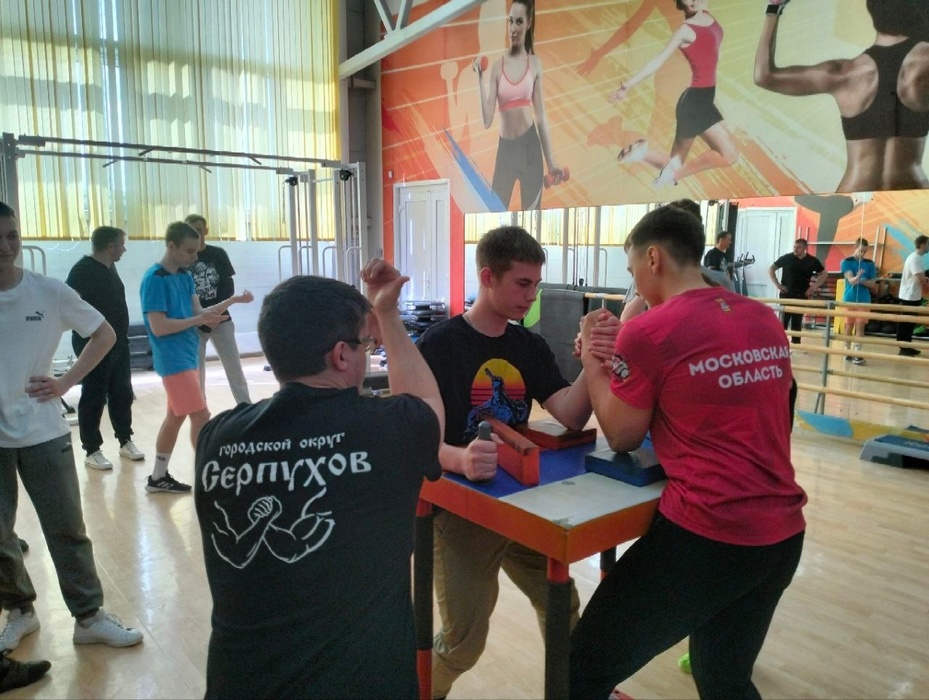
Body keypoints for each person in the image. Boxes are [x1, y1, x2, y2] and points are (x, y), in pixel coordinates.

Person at [571, 205, 807, 700]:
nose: (635, 283)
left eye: (633, 269)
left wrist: (595, 361)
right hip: (782, 535)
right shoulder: (763, 318)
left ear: (653, 258)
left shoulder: (650, 331)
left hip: (710, 535)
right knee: (723, 680)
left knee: (580, 668)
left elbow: (622, 435)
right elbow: (773, 412)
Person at [194, 262, 443, 699]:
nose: (367, 353)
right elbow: (426, 401)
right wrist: (387, 315)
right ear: (342, 355)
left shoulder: (217, 438)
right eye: (366, 344)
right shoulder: (388, 430)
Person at [417, 225, 601, 700]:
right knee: (463, 644)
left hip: (522, 502)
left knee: (563, 606)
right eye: (522, 284)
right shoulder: (439, 345)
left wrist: (593, 361)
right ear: (487, 277)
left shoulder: (528, 346)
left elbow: (570, 413)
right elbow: (416, 442)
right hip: (462, 513)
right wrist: (459, 459)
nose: (531, 295)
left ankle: (575, 692)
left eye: (536, 284)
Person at [0, 201, 143, 653]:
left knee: (66, 529)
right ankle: (21, 610)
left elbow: (105, 334)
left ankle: (88, 617)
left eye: (11, 235)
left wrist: (65, 382)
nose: (5, 246)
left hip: (43, 432)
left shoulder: (47, 292)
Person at [755, 0, 929, 192]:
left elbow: (764, 76)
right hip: (911, 195)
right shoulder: (924, 63)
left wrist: (774, 8)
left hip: (855, 197)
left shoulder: (844, 73)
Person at [141, 221, 253, 495]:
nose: (194, 257)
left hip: (188, 354)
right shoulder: (155, 279)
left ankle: (158, 477)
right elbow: (159, 326)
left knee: (175, 417)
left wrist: (233, 301)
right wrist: (198, 320)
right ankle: (211, 477)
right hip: (173, 360)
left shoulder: (185, 276)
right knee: (202, 416)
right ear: (171, 246)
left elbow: (199, 312)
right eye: (190, 251)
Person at [610, 0, 739, 187]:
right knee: (730, 155)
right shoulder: (685, 31)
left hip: (700, 99)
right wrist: (627, 86)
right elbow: (658, 60)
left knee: (675, 161)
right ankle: (671, 176)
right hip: (696, 103)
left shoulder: (703, 8)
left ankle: (642, 155)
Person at [65, 226, 144, 470]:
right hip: (94, 344)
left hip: (118, 343)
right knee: (94, 395)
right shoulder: (82, 270)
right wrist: (89, 333)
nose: (124, 249)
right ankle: (92, 449)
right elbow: (68, 305)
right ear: (110, 246)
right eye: (122, 244)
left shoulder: (111, 267)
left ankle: (125, 440)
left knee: (122, 392)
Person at [474, 0, 563, 210]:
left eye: (519, 22)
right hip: (506, 150)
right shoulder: (497, 67)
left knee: (532, 219)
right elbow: (487, 121)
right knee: (495, 214)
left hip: (530, 148)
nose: (513, 28)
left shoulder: (535, 64)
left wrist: (551, 162)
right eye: (510, 21)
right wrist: (480, 79)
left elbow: (541, 118)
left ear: (529, 23)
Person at [184, 214, 251, 405]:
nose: (196, 233)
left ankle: (245, 408)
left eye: (199, 229)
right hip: (195, 324)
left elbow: (227, 287)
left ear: (205, 230)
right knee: (197, 373)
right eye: (191, 230)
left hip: (221, 320)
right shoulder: (183, 258)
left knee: (234, 369)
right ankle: (201, 413)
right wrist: (201, 319)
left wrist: (214, 316)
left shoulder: (218, 254)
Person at [769, 239, 827, 345]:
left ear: (805, 248)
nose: (795, 249)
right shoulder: (787, 258)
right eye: (794, 247)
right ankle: (780, 344)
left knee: (797, 321)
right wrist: (777, 284)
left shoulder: (811, 260)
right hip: (787, 294)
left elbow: (824, 274)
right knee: (783, 321)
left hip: (802, 294)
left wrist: (814, 287)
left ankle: (796, 344)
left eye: (798, 247)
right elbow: (771, 269)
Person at [841, 237, 877, 365]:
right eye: (861, 250)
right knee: (849, 325)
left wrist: (860, 280)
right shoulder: (846, 261)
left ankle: (857, 353)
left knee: (860, 325)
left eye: (865, 251)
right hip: (849, 298)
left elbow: (873, 283)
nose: (863, 253)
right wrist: (858, 277)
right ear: (855, 248)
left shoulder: (870, 263)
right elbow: (851, 280)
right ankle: (847, 351)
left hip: (864, 299)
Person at [895, 234, 929, 355]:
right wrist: (926, 281)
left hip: (913, 295)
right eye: (928, 244)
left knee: (910, 322)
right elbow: (919, 278)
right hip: (909, 296)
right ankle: (903, 348)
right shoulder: (915, 258)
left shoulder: (916, 258)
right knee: (906, 322)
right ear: (923, 245)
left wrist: (925, 279)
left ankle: (907, 346)